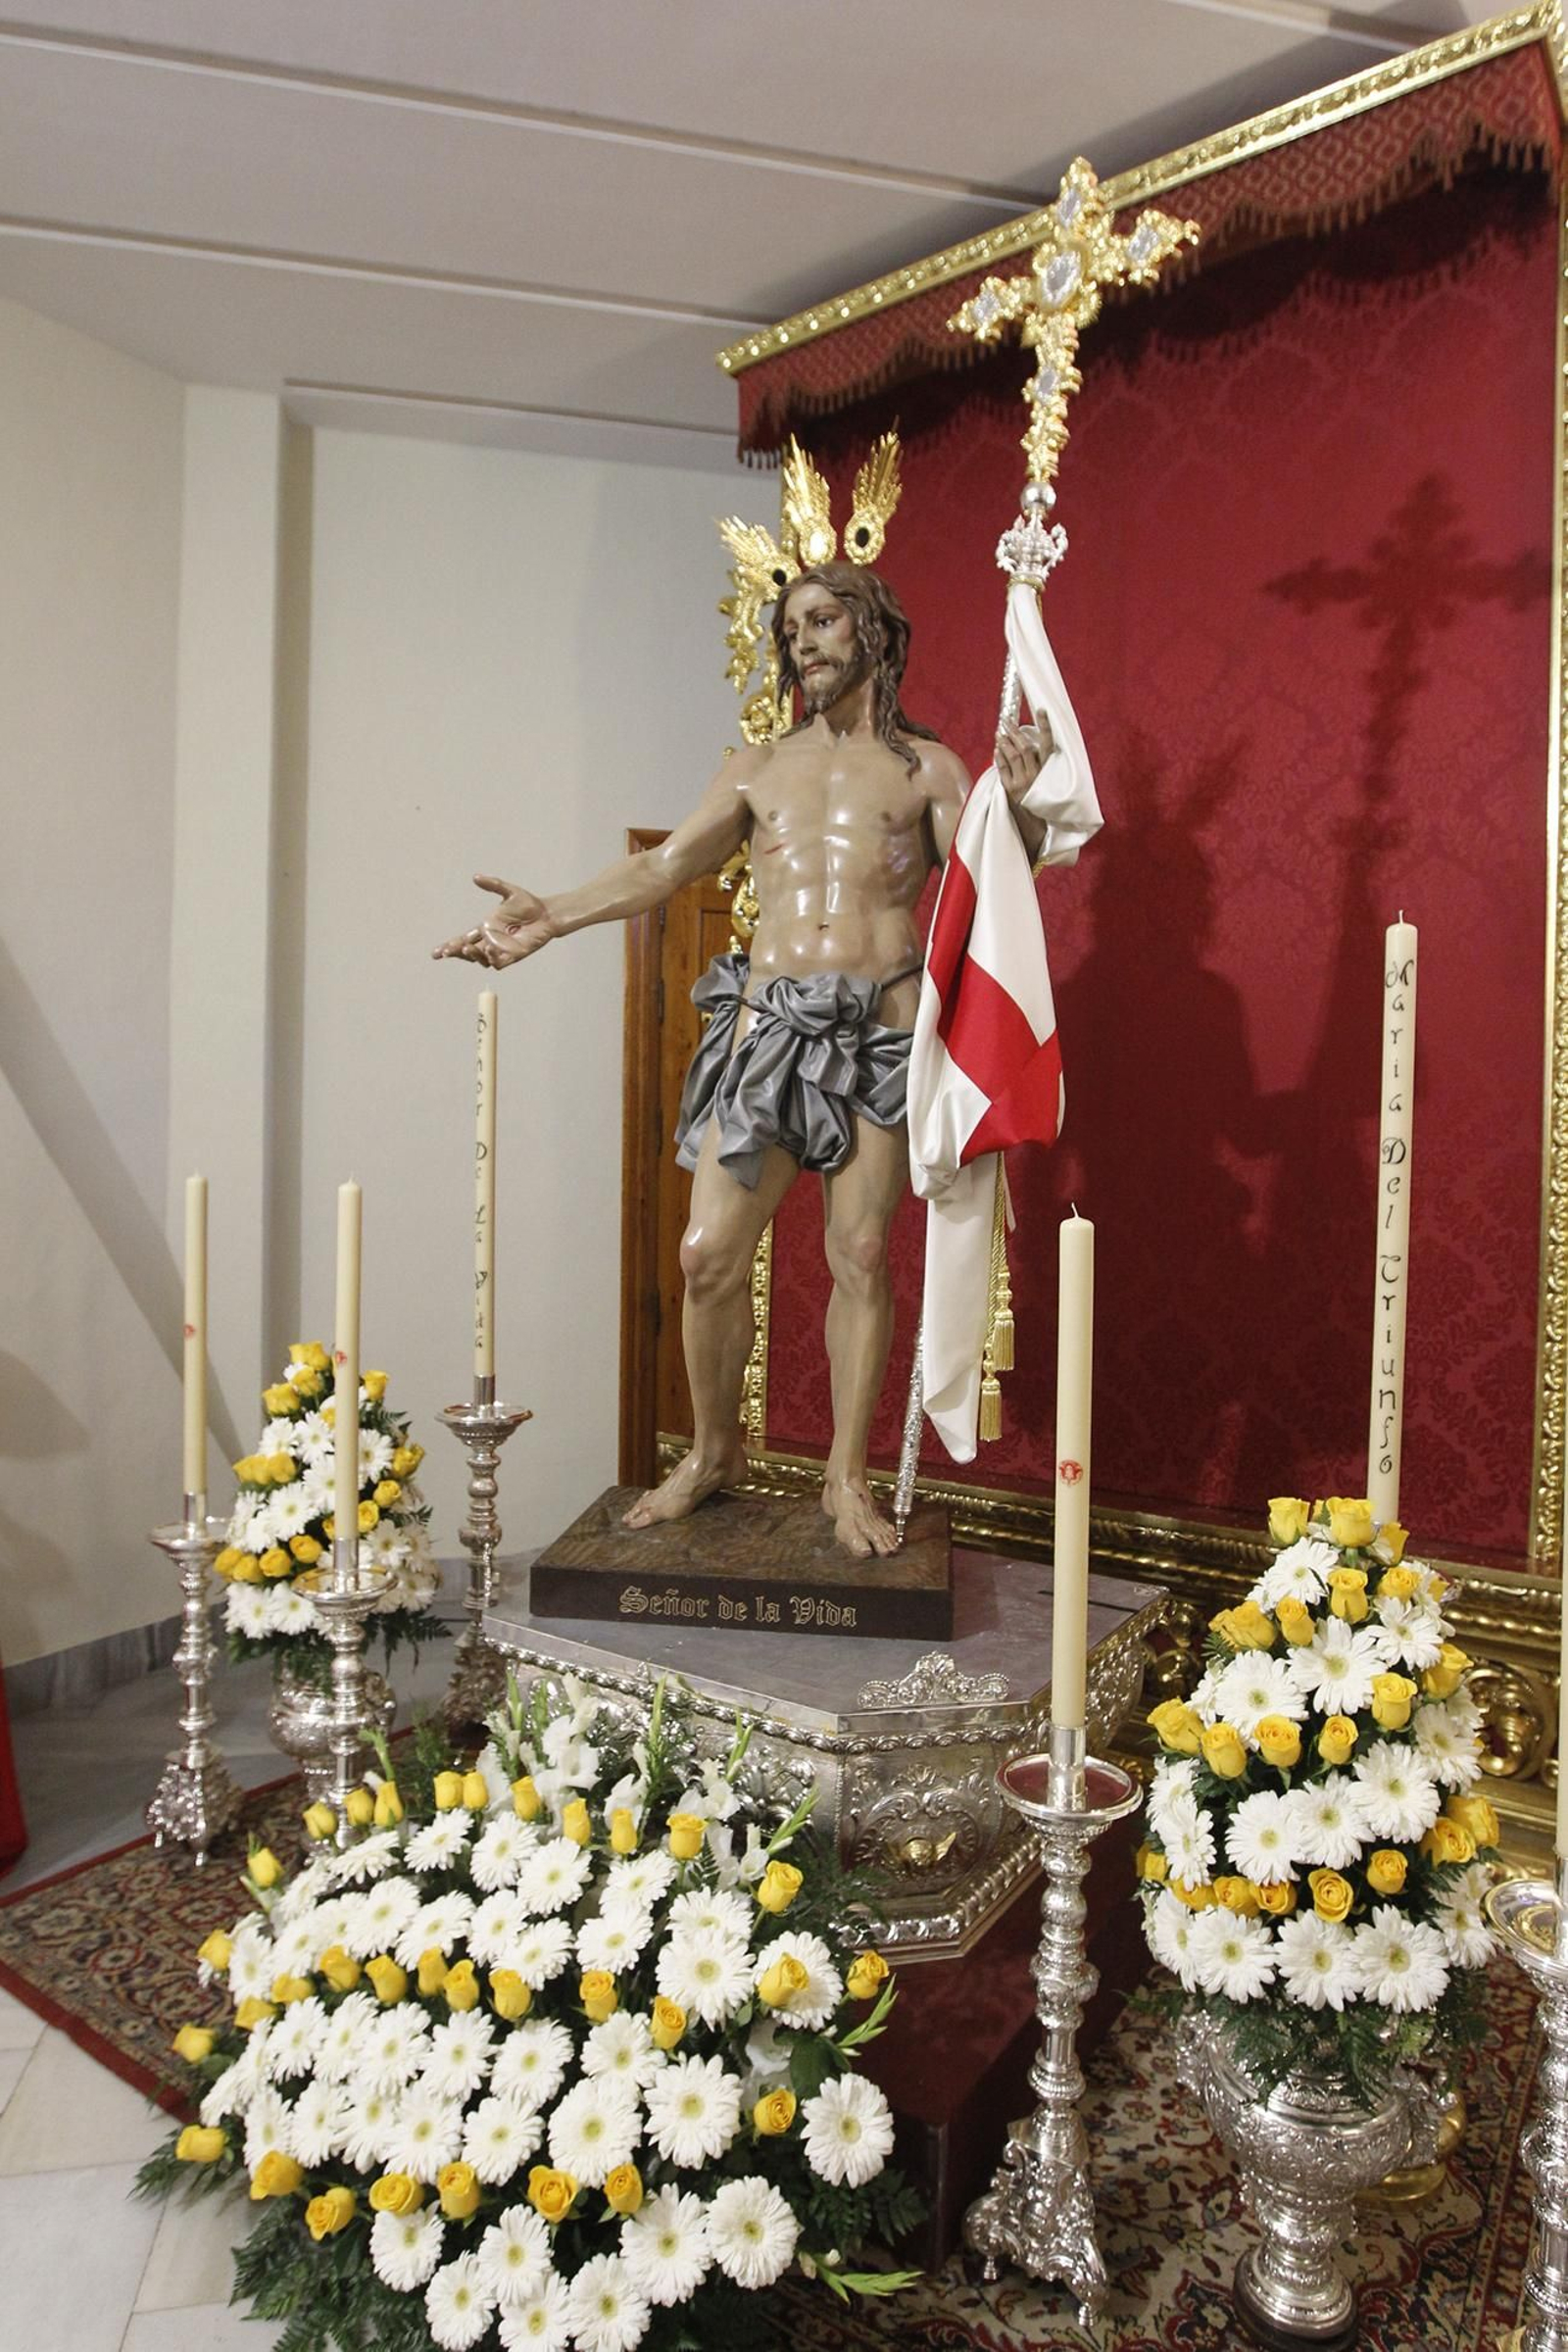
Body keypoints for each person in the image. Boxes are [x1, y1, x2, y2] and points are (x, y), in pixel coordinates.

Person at [435, 563, 1050, 1555]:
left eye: (823, 620)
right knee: (706, 1254)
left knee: (856, 1254)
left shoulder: (931, 770)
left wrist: (1018, 807)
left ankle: (843, 1479)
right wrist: (550, 916)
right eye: (792, 627)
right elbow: (664, 866)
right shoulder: (755, 767)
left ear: (874, 632)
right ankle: (715, 1452)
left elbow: (990, 887)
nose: (805, 641)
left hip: (874, 1036)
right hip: (766, 1029)